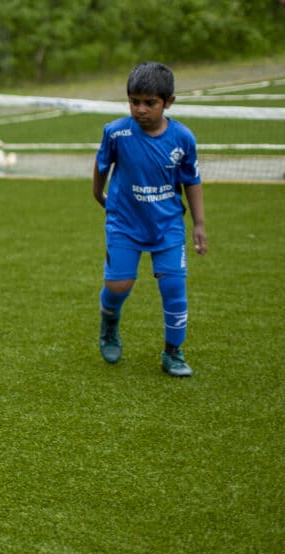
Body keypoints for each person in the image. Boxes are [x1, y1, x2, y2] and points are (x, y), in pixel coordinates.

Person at [93, 61, 207, 377]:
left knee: (174, 289)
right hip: (125, 223)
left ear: (168, 102)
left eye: (150, 103)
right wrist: (98, 195)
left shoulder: (183, 138)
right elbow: (102, 164)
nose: (140, 110)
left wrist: (198, 224)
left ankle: (173, 352)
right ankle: (109, 325)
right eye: (134, 101)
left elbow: (192, 180)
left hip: (167, 224)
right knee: (118, 285)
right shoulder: (116, 132)